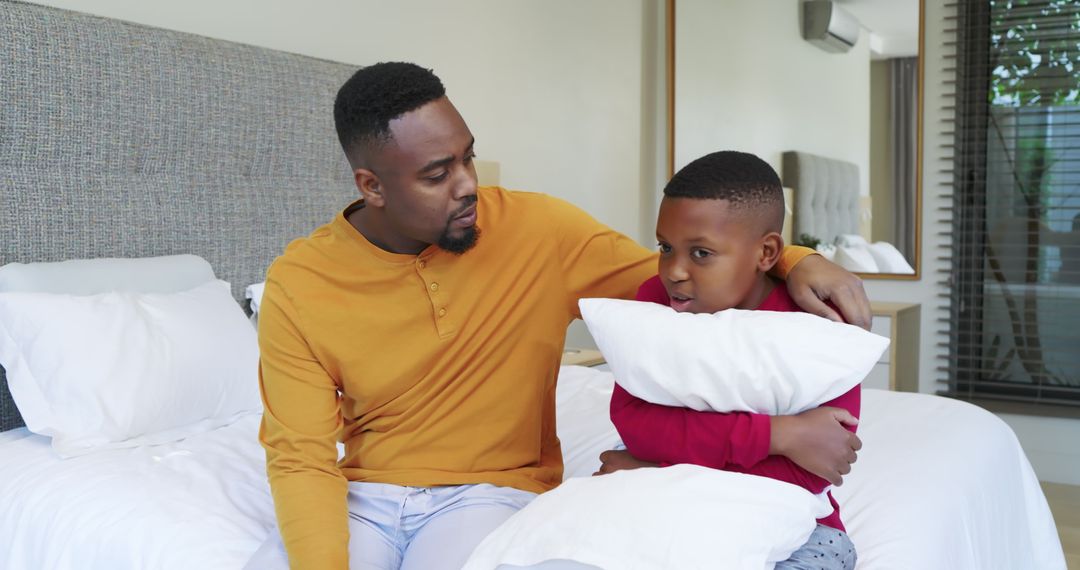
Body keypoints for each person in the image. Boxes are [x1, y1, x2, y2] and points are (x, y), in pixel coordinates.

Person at [251, 62, 870, 570]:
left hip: (488, 494)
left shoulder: (538, 229)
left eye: (468, 158)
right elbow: (300, 454)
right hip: (361, 497)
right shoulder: (300, 282)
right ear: (372, 186)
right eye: (439, 175)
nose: (467, 184)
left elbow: (683, 278)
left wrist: (791, 256)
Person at [597, 151, 861, 569]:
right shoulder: (654, 301)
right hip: (661, 502)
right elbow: (634, 422)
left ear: (767, 252)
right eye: (665, 247)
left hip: (794, 523)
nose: (674, 271)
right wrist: (780, 436)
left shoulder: (818, 322)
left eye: (701, 253)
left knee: (834, 557)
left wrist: (650, 467)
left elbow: (814, 469)